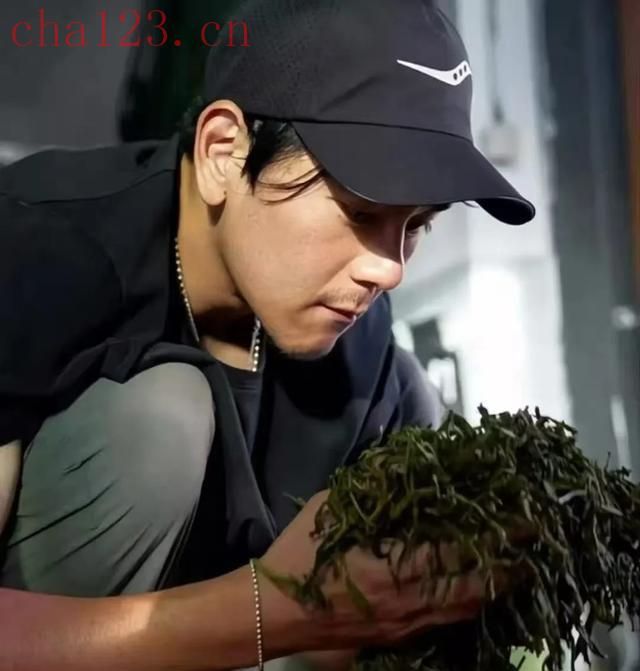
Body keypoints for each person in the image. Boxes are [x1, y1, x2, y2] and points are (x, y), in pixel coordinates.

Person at [0, 0, 535, 669]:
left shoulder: (368, 363)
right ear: (224, 151)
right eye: (361, 211)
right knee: (160, 421)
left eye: (417, 225)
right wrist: (274, 610)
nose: (390, 269)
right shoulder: (36, 254)